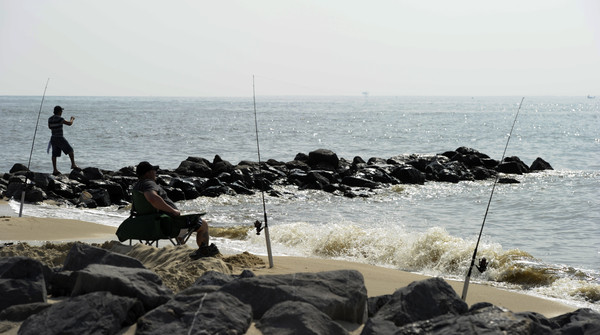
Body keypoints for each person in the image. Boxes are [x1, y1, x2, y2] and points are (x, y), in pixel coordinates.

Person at [133, 161, 219, 259]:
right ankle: (203, 252)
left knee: (180, 222)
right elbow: (152, 198)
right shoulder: (149, 183)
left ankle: (182, 249)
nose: (155, 173)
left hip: (148, 223)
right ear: (147, 173)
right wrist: (172, 211)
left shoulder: (137, 186)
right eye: (154, 170)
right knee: (203, 224)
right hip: (164, 225)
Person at [48, 105, 79, 176]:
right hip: (59, 137)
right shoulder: (59, 118)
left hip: (53, 138)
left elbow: (49, 127)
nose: (61, 112)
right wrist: (72, 119)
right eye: (61, 111)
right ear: (59, 112)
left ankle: (55, 170)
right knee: (70, 150)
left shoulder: (50, 119)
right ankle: (73, 164)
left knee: (54, 154)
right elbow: (69, 123)